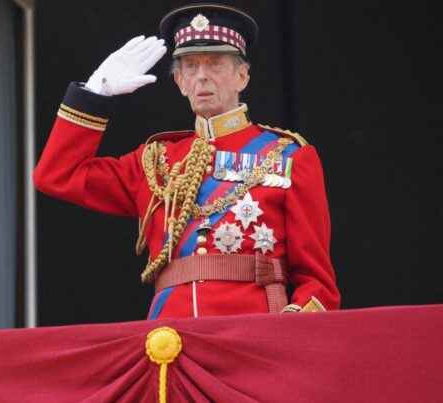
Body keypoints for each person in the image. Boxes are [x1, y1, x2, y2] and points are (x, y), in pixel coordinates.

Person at [33, 4, 340, 319]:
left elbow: (317, 282)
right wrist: (95, 93)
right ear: (179, 81)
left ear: (242, 76)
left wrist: (287, 331)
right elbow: (57, 175)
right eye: (191, 67)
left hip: (255, 337)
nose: (202, 76)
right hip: (171, 339)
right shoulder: (155, 161)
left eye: (215, 64)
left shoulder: (287, 156)